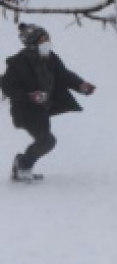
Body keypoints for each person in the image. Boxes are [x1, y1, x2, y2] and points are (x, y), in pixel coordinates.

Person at [1, 24, 96, 182]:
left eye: (48, 40)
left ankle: (21, 165)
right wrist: (29, 96)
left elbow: (64, 75)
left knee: (45, 141)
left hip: (41, 109)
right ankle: (22, 166)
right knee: (47, 141)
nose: (47, 44)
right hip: (24, 110)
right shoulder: (18, 63)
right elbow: (7, 86)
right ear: (32, 45)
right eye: (43, 41)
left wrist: (80, 85)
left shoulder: (51, 58)